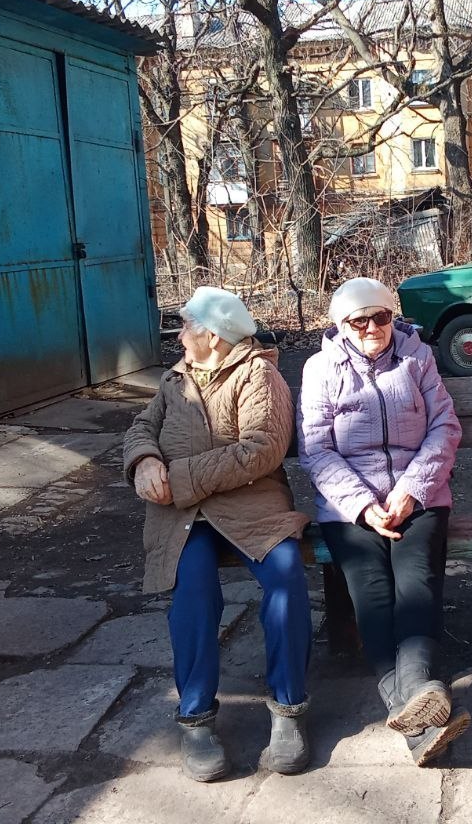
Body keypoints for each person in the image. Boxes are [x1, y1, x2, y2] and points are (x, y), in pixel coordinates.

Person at [123, 287, 311, 782]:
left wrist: (178, 477)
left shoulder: (258, 375)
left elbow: (261, 449)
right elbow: (140, 427)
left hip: (252, 506)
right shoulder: (176, 378)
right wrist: (144, 460)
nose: (179, 335)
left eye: (187, 325)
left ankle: (288, 711)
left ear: (212, 335)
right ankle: (196, 719)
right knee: (192, 591)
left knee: (286, 579)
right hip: (185, 515)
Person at [298, 277, 468, 766]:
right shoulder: (321, 369)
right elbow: (316, 448)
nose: (372, 327)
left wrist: (412, 489)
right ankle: (420, 704)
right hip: (349, 505)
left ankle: (411, 694)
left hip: (419, 496)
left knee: (416, 584)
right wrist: (361, 505)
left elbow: (444, 427)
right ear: (341, 325)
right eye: (359, 321)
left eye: (381, 316)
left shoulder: (417, 358)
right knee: (371, 593)